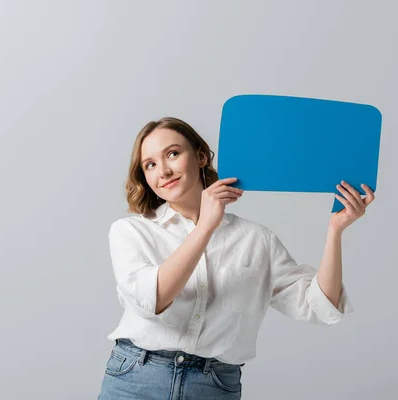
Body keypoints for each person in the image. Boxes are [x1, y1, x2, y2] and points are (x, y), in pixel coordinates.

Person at [97, 117, 375, 399]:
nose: (164, 171)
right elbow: (153, 299)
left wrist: (335, 230)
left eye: (173, 154)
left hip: (213, 386)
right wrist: (205, 226)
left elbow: (319, 306)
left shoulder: (256, 239)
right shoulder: (130, 231)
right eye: (150, 165)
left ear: (201, 156)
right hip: (137, 379)